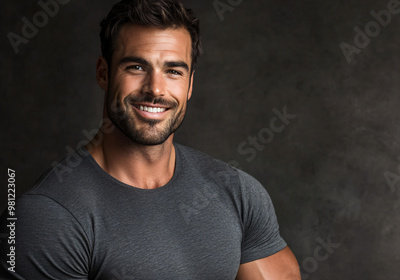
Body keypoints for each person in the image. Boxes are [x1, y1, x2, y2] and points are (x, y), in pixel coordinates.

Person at [0, 0, 300, 279]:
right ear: (103, 73)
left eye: (173, 71)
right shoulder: (45, 217)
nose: (155, 89)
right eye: (136, 67)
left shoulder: (238, 192)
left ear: (190, 84)